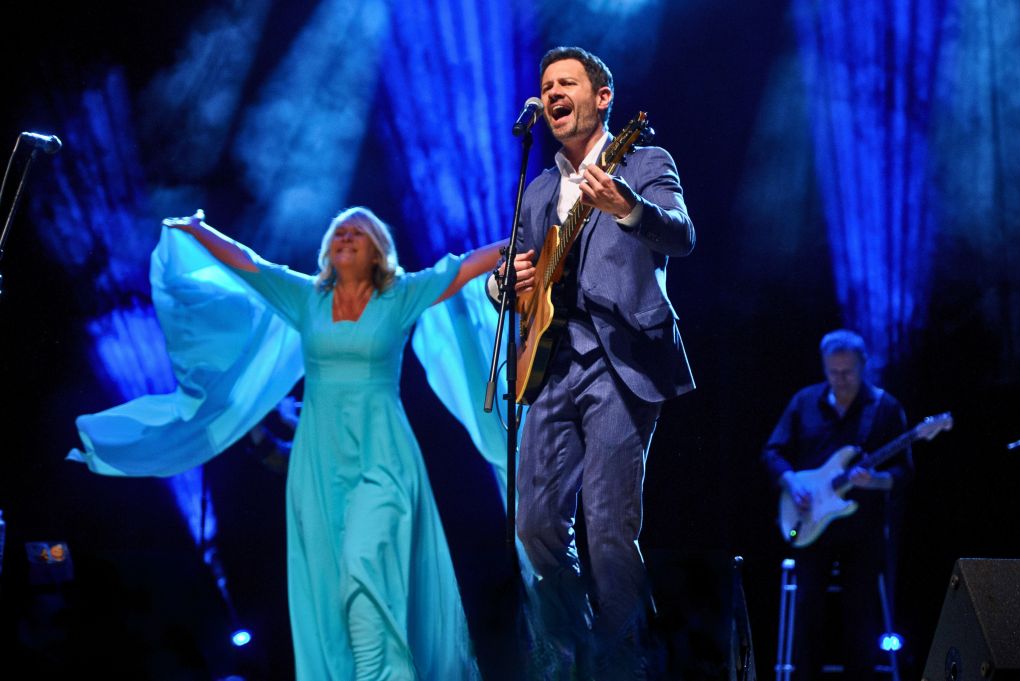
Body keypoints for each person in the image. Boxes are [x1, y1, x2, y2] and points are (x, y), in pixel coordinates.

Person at [148, 207, 501, 680]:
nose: (346, 237)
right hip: (319, 463)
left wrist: (527, 232)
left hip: (383, 458)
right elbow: (247, 263)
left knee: (363, 564)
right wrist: (197, 229)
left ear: (377, 250)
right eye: (339, 232)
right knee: (336, 587)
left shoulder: (400, 295)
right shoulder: (305, 298)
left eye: (358, 232)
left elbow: (461, 267)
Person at [494, 46, 696, 677]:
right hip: (549, 364)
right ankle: (577, 652)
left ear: (602, 98)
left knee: (608, 525)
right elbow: (515, 270)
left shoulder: (644, 161)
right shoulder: (538, 189)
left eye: (567, 83)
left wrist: (628, 207)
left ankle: (627, 665)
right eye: (547, 85)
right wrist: (504, 284)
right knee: (534, 526)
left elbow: (681, 234)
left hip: (621, 358)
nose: (553, 93)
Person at [761, 329, 912, 680]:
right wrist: (793, 482)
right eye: (834, 372)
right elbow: (772, 453)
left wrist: (874, 480)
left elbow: (904, 473)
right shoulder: (804, 402)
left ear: (863, 366)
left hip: (863, 532)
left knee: (860, 620)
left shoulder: (885, 408)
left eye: (848, 372)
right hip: (811, 527)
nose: (841, 379)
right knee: (808, 615)